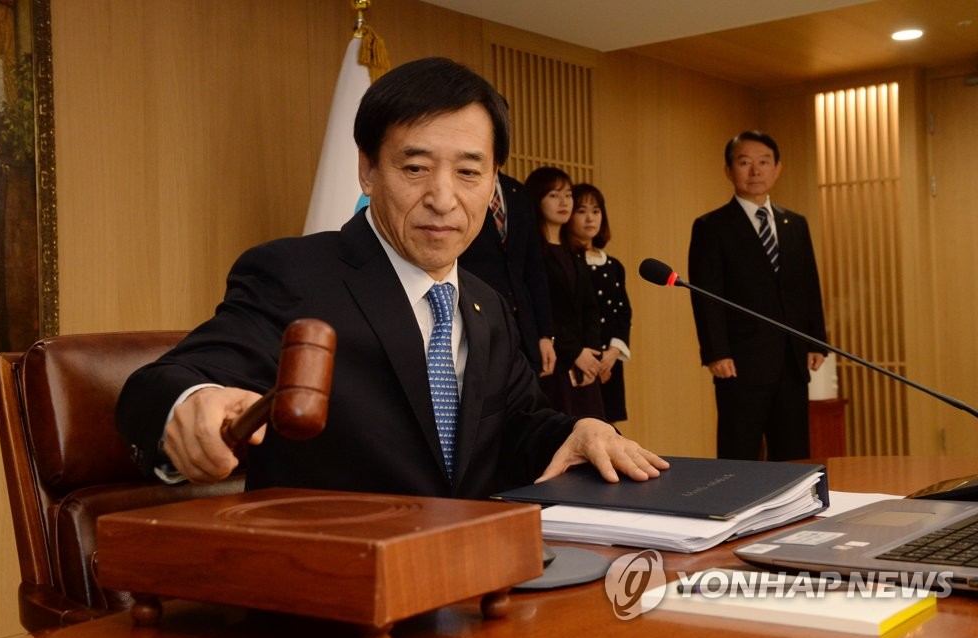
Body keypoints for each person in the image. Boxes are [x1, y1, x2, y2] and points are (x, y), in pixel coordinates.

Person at [116, 57, 668, 500]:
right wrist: (190, 403)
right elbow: (165, 382)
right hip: (336, 581)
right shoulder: (296, 275)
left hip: (477, 577)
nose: (443, 198)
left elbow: (519, 423)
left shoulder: (486, 304)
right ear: (367, 170)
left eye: (469, 172)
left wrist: (578, 431)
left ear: (493, 182)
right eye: (415, 168)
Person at [688, 130, 827, 461]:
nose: (755, 171)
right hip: (739, 362)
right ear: (728, 170)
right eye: (744, 162)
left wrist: (816, 340)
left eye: (764, 162)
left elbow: (808, 285)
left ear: (777, 168)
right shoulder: (712, 226)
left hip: (791, 360)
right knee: (740, 454)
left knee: (794, 456)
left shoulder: (795, 224)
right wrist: (716, 351)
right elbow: (706, 295)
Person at [524, 166, 605, 419]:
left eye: (568, 195)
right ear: (537, 200)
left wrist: (591, 352)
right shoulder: (532, 251)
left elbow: (590, 308)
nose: (564, 202)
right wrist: (575, 353)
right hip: (554, 363)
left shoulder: (575, 250)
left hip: (584, 365)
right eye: (554, 195)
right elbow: (542, 308)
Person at [459, 170, 556, 376]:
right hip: (476, 315)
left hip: (523, 324)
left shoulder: (517, 191)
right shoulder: (461, 185)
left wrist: (545, 334)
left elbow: (534, 268)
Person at [568, 183, 632, 423]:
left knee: (609, 426)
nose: (590, 218)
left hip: (608, 361)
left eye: (596, 211)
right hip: (577, 358)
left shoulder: (614, 265)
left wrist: (613, 352)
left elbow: (622, 312)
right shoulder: (565, 260)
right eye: (581, 211)